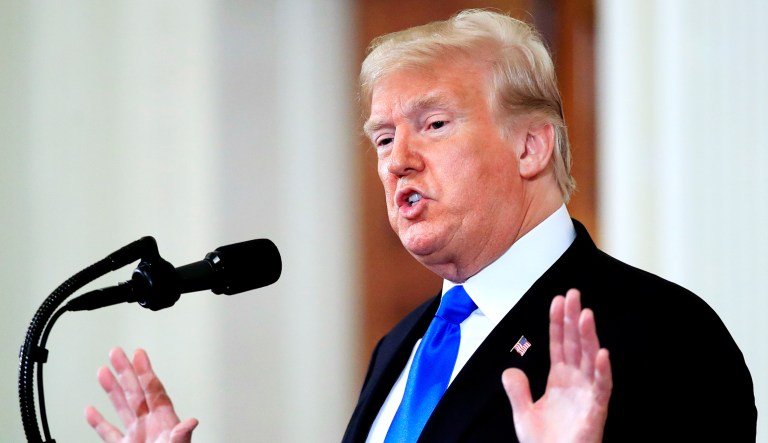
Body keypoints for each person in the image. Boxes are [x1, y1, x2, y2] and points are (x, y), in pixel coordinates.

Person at [86, 9, 757, 443]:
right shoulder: (401, 346)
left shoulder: (664, 333)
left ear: (531, 146)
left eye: (433, 125)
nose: (397, 160)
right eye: (383, 138)